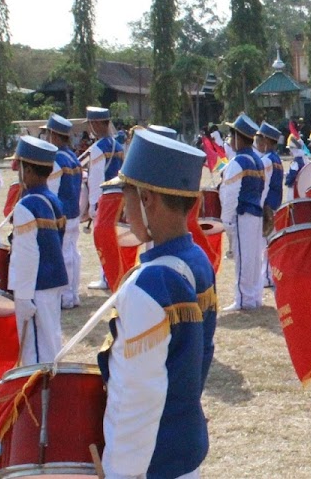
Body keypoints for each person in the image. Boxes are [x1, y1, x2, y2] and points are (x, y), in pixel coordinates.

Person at [98, 128, 216, 478]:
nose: (124, 209)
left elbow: (135, 400)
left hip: (152, 462)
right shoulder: (197, 259)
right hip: (184, 444)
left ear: (147, 198)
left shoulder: (148, 285)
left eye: (128, 197)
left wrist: (118, 471)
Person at [7, 136, 68, 365]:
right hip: (53, 280)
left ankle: (42, 394)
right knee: (50, 339)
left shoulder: (27, 204)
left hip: (34, 285)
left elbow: (27, 254)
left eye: (20, 167)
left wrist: (22, 295)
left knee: (35, 349)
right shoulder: (53, 200)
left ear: (29, 170)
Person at [220, 114, 265, 311]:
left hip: (242, 213)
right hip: (256, 212)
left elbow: (230, 194)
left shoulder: (238, 162)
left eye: (231, 136)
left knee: (243, 257)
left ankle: (243, 299)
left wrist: (226, 220)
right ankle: (254, 296)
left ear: (238, 137)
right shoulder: (258, 160)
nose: (230, 141)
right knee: (254, 258)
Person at [43, 115, 84, 309]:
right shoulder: (72, 156)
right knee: (73, 253)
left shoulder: (57, 159)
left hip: (62, 213)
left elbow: (52, 189)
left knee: (65, 254)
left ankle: (66, 296)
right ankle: (73, 293)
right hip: (73, 210)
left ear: (54, 135)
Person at [83, 106, 125, 290]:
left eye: (92, 123)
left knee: (103, 238)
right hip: (120, 195)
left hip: (105, 197)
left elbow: (96, 178)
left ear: (98, 124)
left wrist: (93, 203)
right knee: (116, 238)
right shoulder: (119, 145)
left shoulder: (99, 148)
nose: (91, 127)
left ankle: (106, 277)